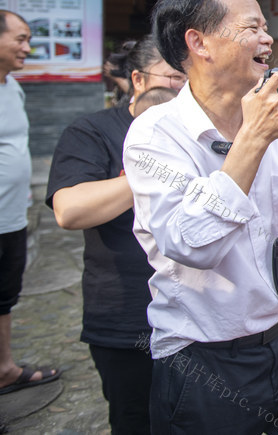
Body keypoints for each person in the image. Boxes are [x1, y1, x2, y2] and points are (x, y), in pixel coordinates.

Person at [123, 0, 278, 433]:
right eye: (250, 27)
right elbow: (191, 244)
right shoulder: (155, 134)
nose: (268, 39)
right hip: (206, 357)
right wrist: (252, 139)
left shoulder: (270, 117)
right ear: (200, 43)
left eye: (265, 27)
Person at [47, 37, 185, 432]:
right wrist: (151, 170)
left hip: (198, 314)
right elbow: (70, 210)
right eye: (174, 76)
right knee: (137, 419)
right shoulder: (93, 130)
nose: (184, 87)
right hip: (129, 315)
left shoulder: (205, 132)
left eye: (190, 77)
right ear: (138, 79)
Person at [0, 10, 61, 396]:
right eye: (19, 39)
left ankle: (4, 368)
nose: (27, 47)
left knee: (6, 295)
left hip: (10, 217)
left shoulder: (11, 86)